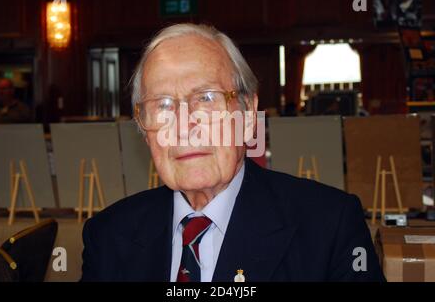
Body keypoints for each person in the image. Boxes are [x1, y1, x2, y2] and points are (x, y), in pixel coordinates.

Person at [81, 23, 385, 282]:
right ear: (144, 131)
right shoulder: (107, 236)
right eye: (162, 105)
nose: (184, 126)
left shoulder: (330, 226)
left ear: (248, 114)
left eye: (206, 98)